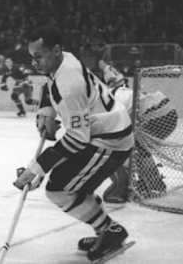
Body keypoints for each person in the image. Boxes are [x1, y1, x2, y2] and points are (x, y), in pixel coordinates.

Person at [13, 26, 134, 261]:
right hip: (101, 134)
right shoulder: (64, 60)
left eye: (39, 56)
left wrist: (37, 167)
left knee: (60, 189)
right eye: (32, 57)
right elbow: (51, 85)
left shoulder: (69, 84)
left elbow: (78, 138)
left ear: (56, 50)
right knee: (68, 185)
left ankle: (109, 231)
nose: (35, 63)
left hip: (109, 141)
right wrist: (47, 111)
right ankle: (105, 229)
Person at [98, 60, 175, 203]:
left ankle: (151, 183)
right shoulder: (120, 90)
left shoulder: (107, 100)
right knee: (138, 147)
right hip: (168, 110)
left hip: (155, 114)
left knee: (130, 148)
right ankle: (153, 182)